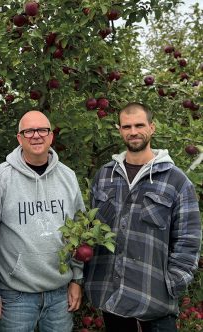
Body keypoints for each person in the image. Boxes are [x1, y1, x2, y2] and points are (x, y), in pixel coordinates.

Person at [84, 102, 201, 332]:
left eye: (139, 125)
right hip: (111, 298)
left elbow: (189, 240)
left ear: (152, 127)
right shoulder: (105, 176)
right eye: (127, 126)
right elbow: (91, 229)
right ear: (119, 130)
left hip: (153, 301)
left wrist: (172, 284)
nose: (133, 131)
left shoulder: (175, 181)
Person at [0, 110, 85, 332]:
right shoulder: (0, 178)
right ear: (19, 138)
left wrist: (76, 279)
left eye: (42, 130)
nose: (36, 135)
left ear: (51, 136)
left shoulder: (67, 176)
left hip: (60, 294)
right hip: (15, 296)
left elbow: (80, 232)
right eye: (29, 131)